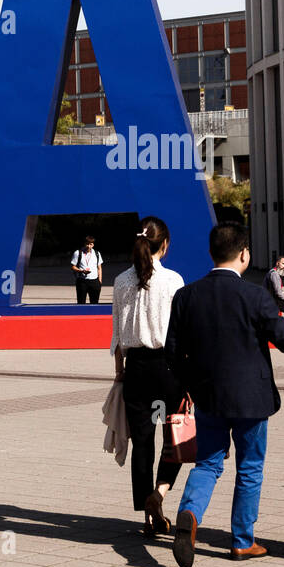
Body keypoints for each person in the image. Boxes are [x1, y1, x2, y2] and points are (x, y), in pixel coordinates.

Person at [165, 223, 284, 567]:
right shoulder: (255, 296)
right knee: (249, 467)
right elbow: (282, 338)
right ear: (245, 254)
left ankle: (189, 514)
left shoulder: (186, 296)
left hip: (208, 397)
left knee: (207, 463)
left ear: (211, 253)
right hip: (251, 398)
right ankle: (242, 541)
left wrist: (191, 385)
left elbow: (172, 352)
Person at [110, 216, 186, 538]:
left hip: (136, 371)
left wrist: (119, 375)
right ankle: (160, 493)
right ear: (164, 244)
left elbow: (116, 336)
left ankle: (147, 515)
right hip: (167, 370)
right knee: (175, 439)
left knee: (143, 443)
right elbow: (183, 337)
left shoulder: (120, 281)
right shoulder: (174, 281)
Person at [71, 236, 104, 304]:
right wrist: (81, 271)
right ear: (84, 243)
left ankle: (94, 314)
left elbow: (99, 268)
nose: (89, 246)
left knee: (95, 303)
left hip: (94, 281)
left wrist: (99, 281)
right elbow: (73, 267)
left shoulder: (97, 253)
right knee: (81, 303)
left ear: (93, 245)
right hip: (82, 281)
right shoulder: (78, 253)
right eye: (87, 244)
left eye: (91, 244)